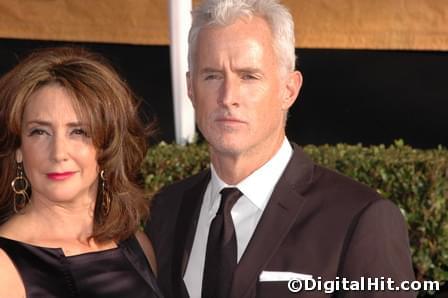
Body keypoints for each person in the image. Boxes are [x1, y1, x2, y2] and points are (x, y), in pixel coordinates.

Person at [147, 0, 416, 297]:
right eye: (212, 75)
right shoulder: (166, 209)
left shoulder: (360, 219)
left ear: (289, 89)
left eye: (249, 76)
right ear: (190, 88)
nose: (228, 96)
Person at [0, 47, 163, 298]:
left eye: (79, 132)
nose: (58, 153)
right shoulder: (4, 264)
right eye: (39, 132)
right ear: (18, 148)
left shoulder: (137, 246)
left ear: (106, 146)